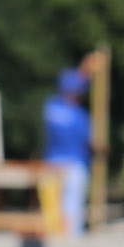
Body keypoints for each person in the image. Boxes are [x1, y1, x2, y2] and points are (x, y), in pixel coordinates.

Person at [43, 67, 93, 235]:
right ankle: (71, 241)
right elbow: (88, 140)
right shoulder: (80, 115)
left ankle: (56, 239)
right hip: (74, 164)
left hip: (52, 162)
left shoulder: (50, 107)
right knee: (72, 208)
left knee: (53, 210)